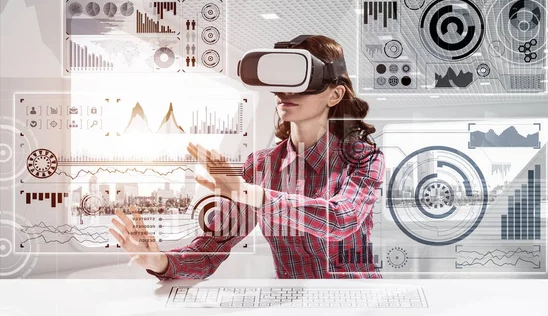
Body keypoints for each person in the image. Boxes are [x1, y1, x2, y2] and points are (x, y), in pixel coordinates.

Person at [109, 35, 384, 279]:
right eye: (282, 80)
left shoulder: (363, 158)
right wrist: (160, 262)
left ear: (334, 95)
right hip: (297, 305)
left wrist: (251, 193)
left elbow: (341, 220)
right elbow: (213, 248)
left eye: (301, 80)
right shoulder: (263, 165)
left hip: (356, 302)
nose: (286, 91)